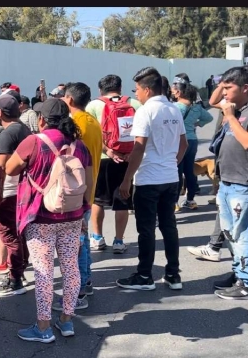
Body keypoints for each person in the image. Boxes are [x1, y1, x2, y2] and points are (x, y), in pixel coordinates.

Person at [6, 98, 92, 343]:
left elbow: (10, 169)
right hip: (73, 215)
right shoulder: (80, 146)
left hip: (40, 216)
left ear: (41, 119)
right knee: (71, 267)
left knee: (43, 271)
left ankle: (43, 327)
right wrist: (85, 210)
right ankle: (66, 322)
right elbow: (88, 181)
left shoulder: (34, 142)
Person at [116, 67, 187, 291]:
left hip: (148, 179)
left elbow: (138, 149)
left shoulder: (145, 111)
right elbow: (183, 144)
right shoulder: (174, 109)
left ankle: (145, 276)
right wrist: (170, 164)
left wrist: (126, 179)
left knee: (146, 229)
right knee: (169, 226)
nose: (136, 93)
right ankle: (173, 275)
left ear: (147, 89)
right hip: (170, 178)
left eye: (137, 89)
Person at [85, 74, 143, 253]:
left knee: (98, 200)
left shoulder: (94, 105)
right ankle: (119, 241)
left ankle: (97, 237)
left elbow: (91, 134)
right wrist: (130, 152)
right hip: (127, 159)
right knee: (122, 200)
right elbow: (142, 133)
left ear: (101, 89)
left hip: (103, 159)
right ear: (120, 87)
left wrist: (108, 150)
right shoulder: (134, 104)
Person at [59, 83, 103, 310]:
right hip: (88, 189)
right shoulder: (93, 121)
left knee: (77, 243)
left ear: (69, 99)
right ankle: (85, 282)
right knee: (81, 241)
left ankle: (79, 290)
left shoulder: (75, 126)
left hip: (78, 192)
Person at [0, 94, 31, 297]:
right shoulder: (23, 128)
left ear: (0, 112)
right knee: (19, 235)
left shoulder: (7, 134)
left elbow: (1, 167)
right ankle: (19, 272)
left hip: (8, 192)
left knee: (10, 236)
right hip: (23, 191)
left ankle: (15, 279)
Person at [212, 66, 248, 299]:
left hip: (242, 184)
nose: (223, 93)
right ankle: (238, 273)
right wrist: (223, 83)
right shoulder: (236, 107)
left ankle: (246, 281)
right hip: (227, 181)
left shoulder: (239, 113)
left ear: (245, 88)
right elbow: (212, 100)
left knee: (243, 234)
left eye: (229, 88)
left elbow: (247, 142)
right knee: (230, 234)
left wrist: (230, 117)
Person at [171, 78, 213, 211]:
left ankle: (174, 202)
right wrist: (198, 123)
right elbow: (209, 118)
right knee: (189, 171)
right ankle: (190, 200)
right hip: (192, 141)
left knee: (177, 172)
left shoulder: (175, 107)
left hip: (178, 142)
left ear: (179, 92)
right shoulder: (196, 107)